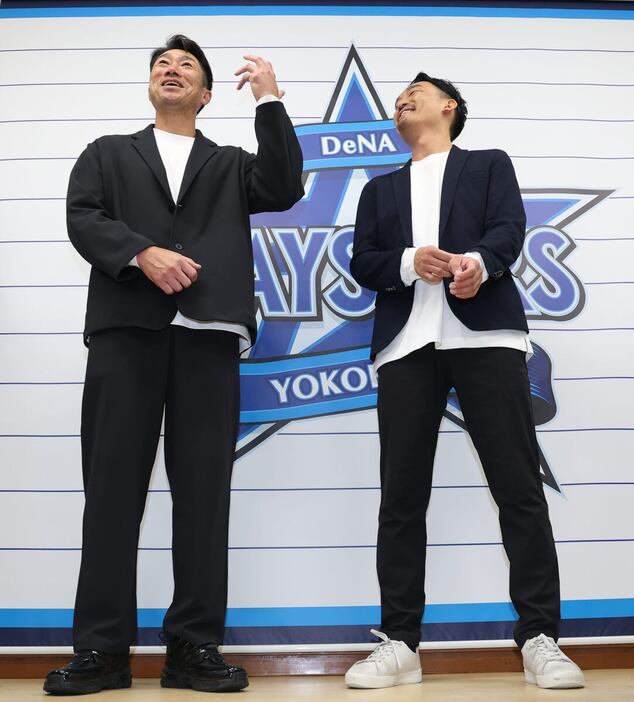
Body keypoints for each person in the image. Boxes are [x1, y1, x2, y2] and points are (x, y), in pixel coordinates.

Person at [43, 35, 303, 695]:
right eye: (162, 63)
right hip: (125, 333)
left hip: (208, 338)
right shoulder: (107, 153)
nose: (171, 68)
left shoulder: (231, 164)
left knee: (204, 497)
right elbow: (83, 216)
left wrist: (270, 100)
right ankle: (102, 651)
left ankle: (193, 648)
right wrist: (141, 253)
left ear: (207, 94)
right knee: (110, 494)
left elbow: (284, 186)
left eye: (187, 65)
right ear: (150, 84)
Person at [344, 73, 584, 690]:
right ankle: (400, 642)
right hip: (405, 347)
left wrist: (476, 263)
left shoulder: (488, 164)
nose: (403, 99)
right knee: (401, 498)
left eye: (416, 91)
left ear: (449, 106)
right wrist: (408, 262)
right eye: (399, 98)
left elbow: (508, 230)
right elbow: (363, 261)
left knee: (518, 488)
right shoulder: (378, 188)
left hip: (487, 340)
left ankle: (540, 638)